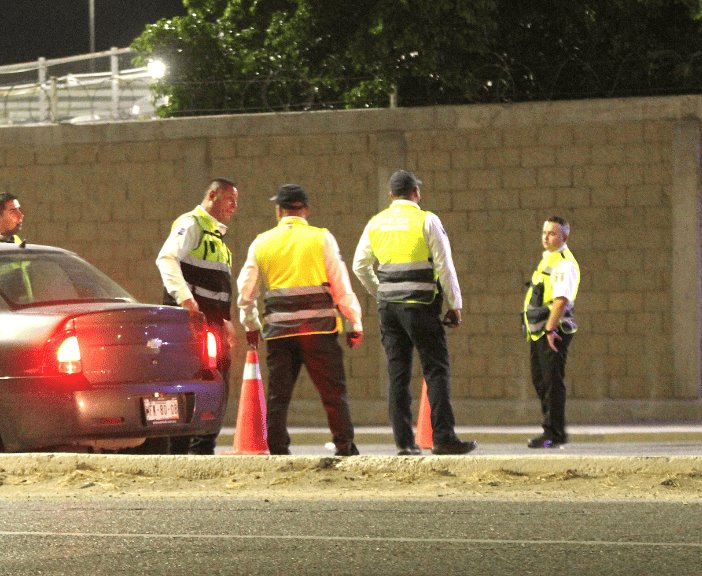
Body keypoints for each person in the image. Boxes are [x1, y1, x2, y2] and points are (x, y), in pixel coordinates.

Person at [351, 170, 476, 456]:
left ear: (391, 195)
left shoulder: (376, 223)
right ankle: (443, 438)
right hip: (421, 307)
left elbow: (360, 265)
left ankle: (404, 443)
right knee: (435, 369)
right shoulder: (427, 220)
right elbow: (445, 266)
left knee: (398, 373)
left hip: (389, 310)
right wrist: (454, 305)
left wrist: (380, 290)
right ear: (416, 193)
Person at [237, 184, 364, 456]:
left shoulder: (262, 242)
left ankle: (278, 449)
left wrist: (251, 324)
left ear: (279, 211)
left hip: (280, 334)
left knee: (278, 397)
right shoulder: (321, 238)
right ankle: (344, 446)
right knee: (333, 393)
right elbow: (340, 283)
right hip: (319, 331)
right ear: (305, 210)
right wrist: (355, 322)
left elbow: (246, 292)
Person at [156, 178, 239, 455]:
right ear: (213, 195)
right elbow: (166, 259)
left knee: (215, 386)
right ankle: (183, 450)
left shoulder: (218, 240)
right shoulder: (192, 224)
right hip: (190, 323)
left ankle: (202, 449)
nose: (234, 207)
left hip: (212, 324)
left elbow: (219, 288)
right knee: (192, 385)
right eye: (230, 200)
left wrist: (226, 322)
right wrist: (185, 300)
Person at [523, 216, 581, 448]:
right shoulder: (549, 259)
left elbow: (561, 301)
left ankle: (554, 433)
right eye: (545, 232)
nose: (546, 237)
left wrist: (550, 329)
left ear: (564, 237)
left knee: (551, 383)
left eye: (553, 233)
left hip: (553, 331)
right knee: (541, 381)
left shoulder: (564, 264)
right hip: (540, 332)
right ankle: (551, 429)